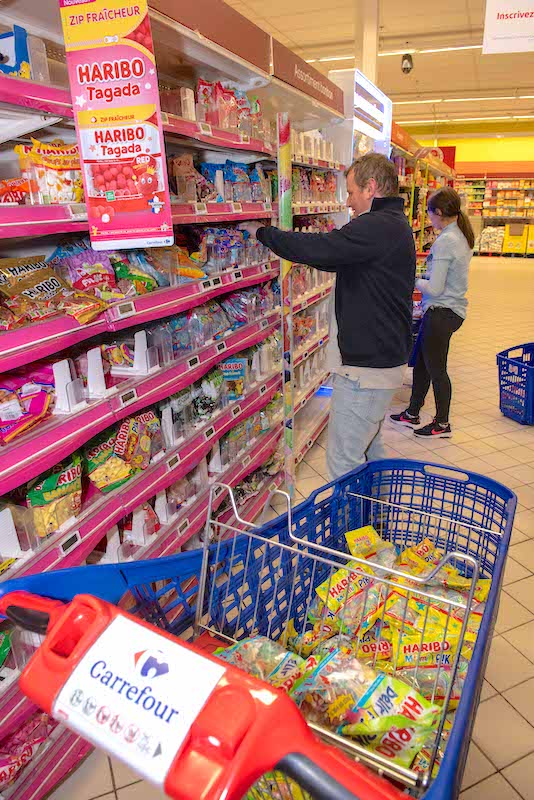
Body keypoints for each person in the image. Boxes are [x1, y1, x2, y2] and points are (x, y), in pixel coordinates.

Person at [239, 152, 415, 479]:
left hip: (367, 369)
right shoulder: (393, 224)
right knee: (370, 450)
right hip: (382, 359)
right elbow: (335, 258)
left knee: (343, 460)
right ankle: (376, 510)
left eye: (351, 192)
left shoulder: (376, 225)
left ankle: (349, 515)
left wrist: (264, 234)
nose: (347, 201)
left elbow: (322, 248)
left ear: (371, 188)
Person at [390, 187, 474, 438]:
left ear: (438, 212)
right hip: (447, 310)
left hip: (442, 311)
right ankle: (412, 412)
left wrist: (412, 280)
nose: (429, 219)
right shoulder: (459, 234)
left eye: (429, 214)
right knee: (421, 363)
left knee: (437, 369)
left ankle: (442, 423)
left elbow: (435, 288)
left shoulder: (447, 241)